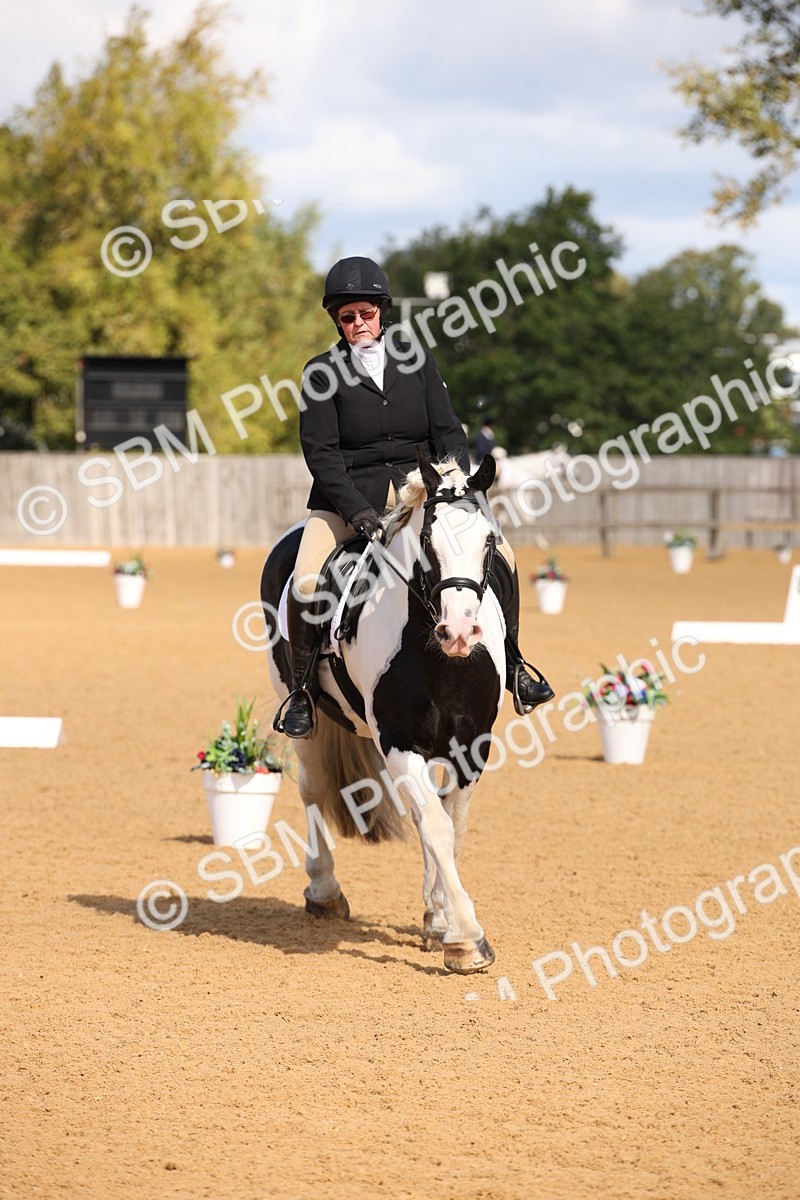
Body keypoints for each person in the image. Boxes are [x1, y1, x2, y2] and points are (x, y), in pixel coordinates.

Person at [276, 255, 553, 739]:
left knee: (501, 555)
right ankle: (301, 691)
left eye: (365, 313)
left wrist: (456, 487)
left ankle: (515, 667)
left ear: (382, 311)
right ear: (336, 321)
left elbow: (448, 431)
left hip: (421, 490)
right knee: (304, 581)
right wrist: (357, 510)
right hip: (347, 497)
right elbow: (320, 453)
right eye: (347, 317)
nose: (358, 323)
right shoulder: (320, 372)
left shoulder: (416, 359)